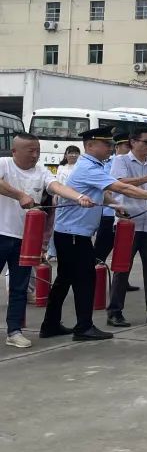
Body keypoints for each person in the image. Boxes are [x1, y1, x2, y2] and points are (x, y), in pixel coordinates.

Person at [47, 128, 147, 341]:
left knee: (64, 279)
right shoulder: (89, 167)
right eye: (106, 144)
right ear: (90, 146)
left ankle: (49, 325)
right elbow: (121, 187)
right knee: (85, 281)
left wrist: (114, 205)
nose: (110, 148)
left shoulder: (93, 165)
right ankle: (84, 328)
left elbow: (101, 193)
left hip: (72, 233)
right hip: (74, 234)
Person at [0, 133, 94, 348]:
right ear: (15, 151)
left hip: (24, 240)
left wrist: (78, 197)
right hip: (1, 234)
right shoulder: (4, 164)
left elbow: (55, 186)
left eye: (37, 150)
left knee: (20, 287)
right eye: (30, 150)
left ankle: (14, 330)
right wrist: (20, 195)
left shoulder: (41, 170)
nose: (35, 155)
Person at [105, 125, 147, 328]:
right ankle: (115, 312)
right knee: (122, 268)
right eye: (146, 142)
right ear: (133, 142)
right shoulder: (121, 161)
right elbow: (120, 183)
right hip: (128, 223)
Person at [92, 130, 137, 296]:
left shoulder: (130, 163)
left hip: (123, 214)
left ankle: (121, 281)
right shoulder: (107, 164)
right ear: (117, 147)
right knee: (101, 250)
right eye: (127, 145)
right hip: (108, 214)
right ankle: (93, 281)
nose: (129, 148)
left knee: (123, 250)